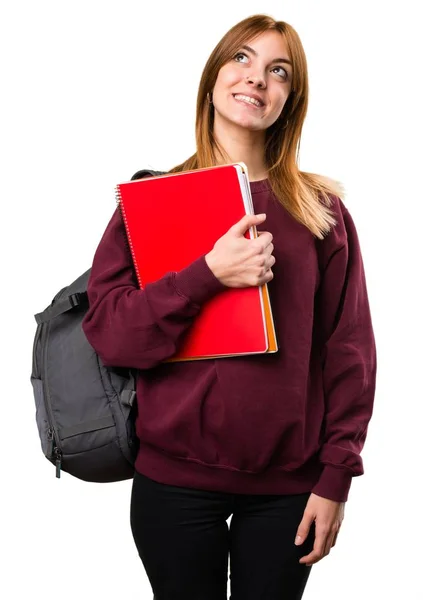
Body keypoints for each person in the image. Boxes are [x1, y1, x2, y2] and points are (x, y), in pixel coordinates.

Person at [82, 13, 377, 600]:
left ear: (290, 99)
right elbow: (112, 335)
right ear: (214, 75)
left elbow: (348, 351)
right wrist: (207, 276)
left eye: (279, 71)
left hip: (291, 489)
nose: (256, 80)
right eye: (241, 58)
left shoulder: (322, 213)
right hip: (173, 482)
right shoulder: (151, 200)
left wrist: (337, 476)